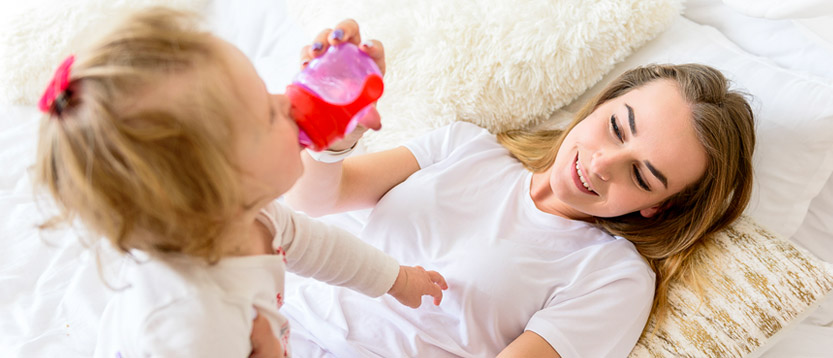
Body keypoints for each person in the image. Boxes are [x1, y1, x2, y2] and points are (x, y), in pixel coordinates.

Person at [281, 20, 756, 357]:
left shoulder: (614, 276)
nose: (603, 163)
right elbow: (315, 200)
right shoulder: (467, 145)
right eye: (616, 126)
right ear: (600, 104)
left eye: (642, 175)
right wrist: (332, 137)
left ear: (659, 207)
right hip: (270, 316)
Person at [32, 8, 448, 358]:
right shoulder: (188, 322)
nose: (286, 100)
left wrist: (397, 280)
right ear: (212, 188)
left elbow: (319, 247)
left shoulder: (251, 214)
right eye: (268, 115)